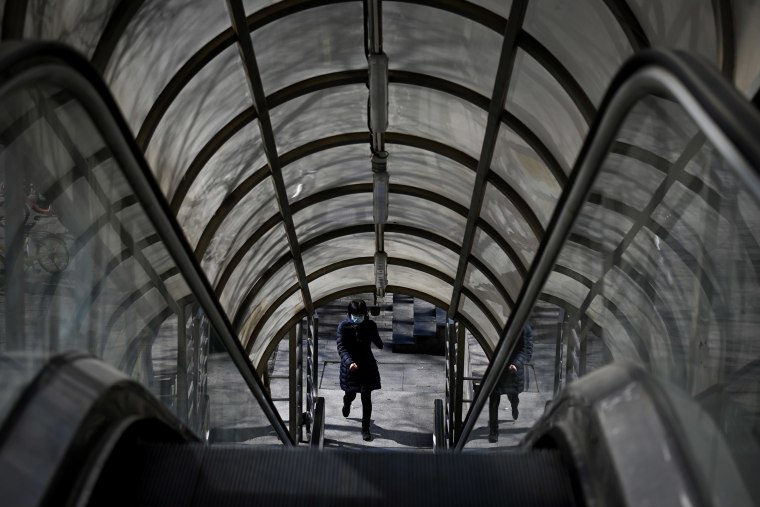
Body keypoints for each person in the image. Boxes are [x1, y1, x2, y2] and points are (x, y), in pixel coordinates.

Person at [336, 299, 384, 441]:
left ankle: (365, 428)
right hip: (351, 367)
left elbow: (379, 343)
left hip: (367, 366)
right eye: (355, 314)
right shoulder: (343, 327)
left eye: (361, 314)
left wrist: (373, 334)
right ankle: (347, 402)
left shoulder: (370, 325)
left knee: (366, 398)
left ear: (365, 314)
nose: (358, 317)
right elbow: (341, 347)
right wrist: (349, 362)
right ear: (350, 314)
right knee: (351, 394)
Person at [488, 324, 534, 443]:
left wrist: (516, 364)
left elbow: (526, 350)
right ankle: (493, 430)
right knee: (493, 398)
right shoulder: (497, 320)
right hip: (497, 369)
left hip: (512, 370)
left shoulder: (524, 326)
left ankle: (514, 406)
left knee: (512, 396)